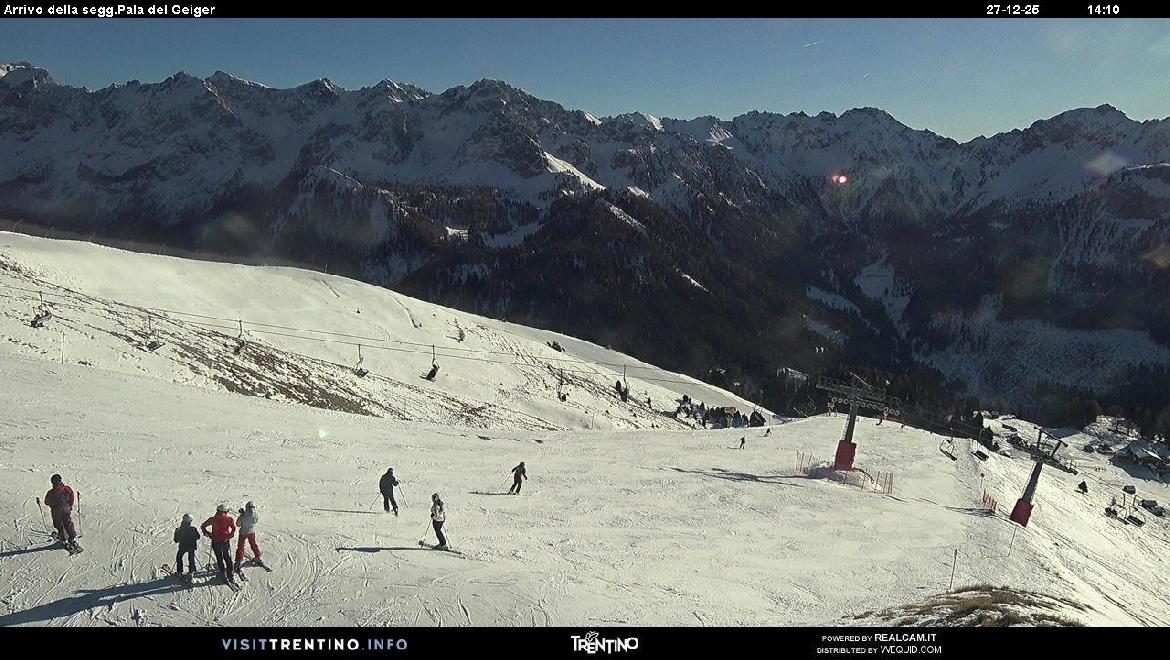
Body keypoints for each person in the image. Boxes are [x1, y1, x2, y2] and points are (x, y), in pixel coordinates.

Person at [201, 504, 238, 584]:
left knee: (219, 557)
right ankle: (230, 573)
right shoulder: (230, 519)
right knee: (227, 556)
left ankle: (223, 572)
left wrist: (208, 534)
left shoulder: (213, 519)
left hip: (216, 541)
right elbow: (233, 529)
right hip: (225, 540)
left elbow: (203, 526)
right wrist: (229, 536)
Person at [44, 474, 79, 550]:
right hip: (66, 508)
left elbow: (46, 502)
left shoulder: (51, 493)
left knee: (59, 525)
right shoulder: (67, 489)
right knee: (68, 522)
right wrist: (69, 506)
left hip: (56, 511)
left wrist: (53, 505)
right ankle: (72, 537)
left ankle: (64, 539)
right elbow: (71, 497)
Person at [234, 501, 262, 572]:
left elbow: (238, 524)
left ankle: (239, 561)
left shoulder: (243, 515)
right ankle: (257, 556)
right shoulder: (256, 515)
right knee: (253, 544)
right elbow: (255, 521)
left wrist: (242, 515)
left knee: (241, 546)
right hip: (251, 532)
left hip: (243, 532)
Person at [174, 513, 199, 580]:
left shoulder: (178, 529)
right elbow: (198, 537)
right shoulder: (193, 529)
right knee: (191, 558)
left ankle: (180, 572)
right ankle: (191, 571)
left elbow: (176, 540)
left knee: (179, 557)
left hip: (183, 547)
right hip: (192, 546)